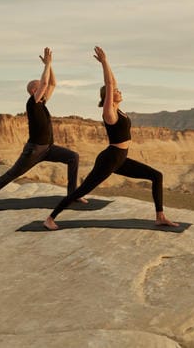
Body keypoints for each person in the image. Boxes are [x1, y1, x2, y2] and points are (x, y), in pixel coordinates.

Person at [43, 46, 178, 230]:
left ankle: (160, 216)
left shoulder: (119, 110)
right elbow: (110, 83)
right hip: (110, 159)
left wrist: (108, 64)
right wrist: (104, 63)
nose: (119, 91)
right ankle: (50, 218)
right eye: (116, 91)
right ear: (108, 96)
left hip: (120, 158)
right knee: (82, 190)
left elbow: (113, 82)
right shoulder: (109, 112)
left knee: (156, 176)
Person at [0, 47, 87, 207]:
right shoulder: (32, 103)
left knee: (73, 157)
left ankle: (73, 195)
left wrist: (50, 65)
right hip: (34, 150)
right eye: (41, 87)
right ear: (35, 90)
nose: (45, 88)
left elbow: (52, 83)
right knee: (12, 174)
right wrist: (46, 65)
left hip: (48, 148)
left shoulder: (42, 102)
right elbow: (46, 82)